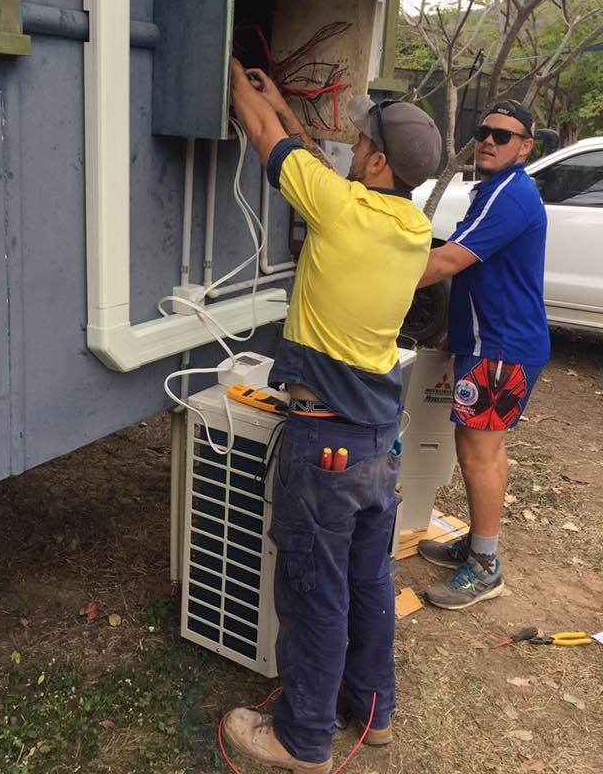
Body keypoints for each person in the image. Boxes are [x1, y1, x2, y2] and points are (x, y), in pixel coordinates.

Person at [221, 59, 442, 774]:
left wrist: (231, 64)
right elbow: (320, 171)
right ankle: (374, 714)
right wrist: (286, 105)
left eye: (360, 142)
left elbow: (261, 135)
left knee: (315, 590)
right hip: (379, 440)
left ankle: (303, 738)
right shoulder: (409, 226)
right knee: (369, 580)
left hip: (326, 444)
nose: (348, 147)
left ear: (376, 159)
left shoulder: (339, 207)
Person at [415, 100, 550, 610]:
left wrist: (371, 279)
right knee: (479, 445)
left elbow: (449, 260)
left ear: (526, 147)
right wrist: (456, 332)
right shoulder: (492, 190)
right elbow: (479, 271)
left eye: (503, 134)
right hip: (486, 342)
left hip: (504, 348)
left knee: (479, 451)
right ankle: (477, 544)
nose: (489, 140)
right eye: (484, 131)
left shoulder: (512, 196)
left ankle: (485, 566)